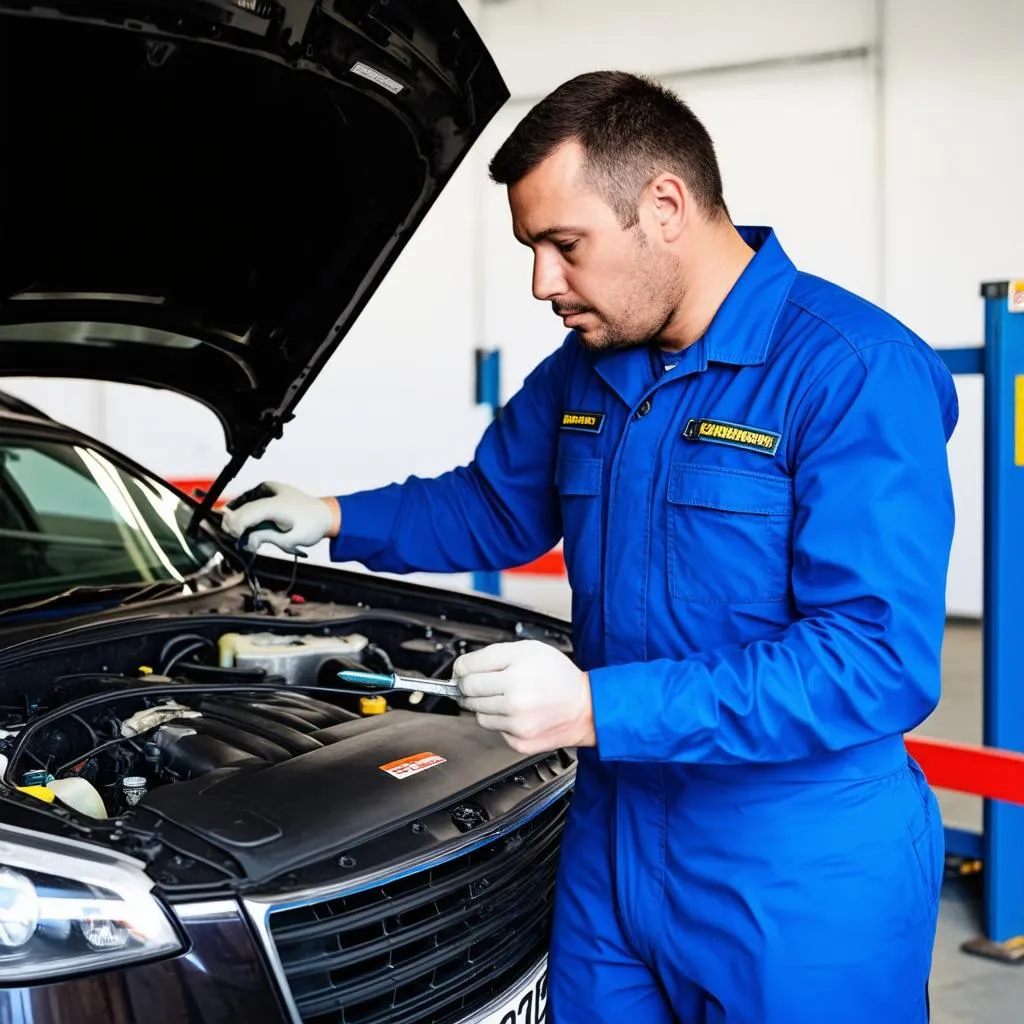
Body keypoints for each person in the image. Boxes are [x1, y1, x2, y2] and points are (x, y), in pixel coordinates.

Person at [222, 71, 957, 1023]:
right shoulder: (590, 366)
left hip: (798, 861)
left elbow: (874, 661)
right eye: (533, 248)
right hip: (613, 840)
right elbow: (493, 504)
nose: (542, 283)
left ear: (663, 205)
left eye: (565, 245)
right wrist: (333, 514)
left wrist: (595, 706)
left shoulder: (852, 372)